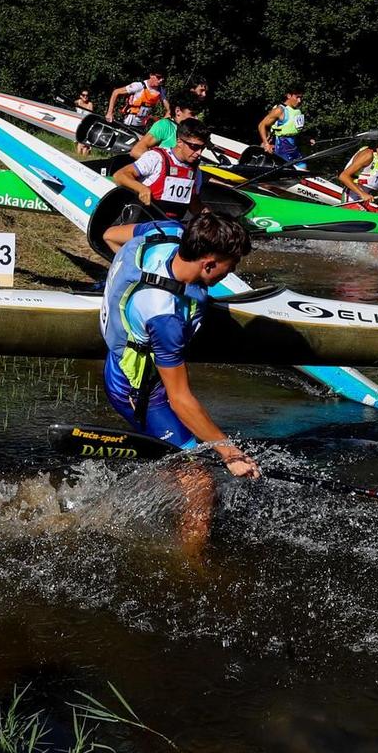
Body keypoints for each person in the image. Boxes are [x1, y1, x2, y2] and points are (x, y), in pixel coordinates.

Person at [99, 208, 259, 549]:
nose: (233, 272)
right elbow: (180, 399)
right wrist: (230, 453)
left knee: (183, 463)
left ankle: (160, 474)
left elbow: (109, 236)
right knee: (201, 483)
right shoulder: (164, 317)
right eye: (232, 265)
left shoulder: (170, 231)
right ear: (210, 263)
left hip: (142, 350)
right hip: (139, 389)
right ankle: (191, 566)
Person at [108, 118, 211, 240]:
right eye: (194, 147)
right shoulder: (156, 158)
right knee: (108, 237)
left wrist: (210, 216)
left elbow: (193, 204)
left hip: (172, 229)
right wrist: (141, 188)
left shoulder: (195, 171)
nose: (199, 153)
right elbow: (120, 175)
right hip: (142, 224)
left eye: (202, 148)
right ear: (179, 142)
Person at [339, 136, 378, 216]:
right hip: (350, 200)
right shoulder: (368, 154)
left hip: (364, 203)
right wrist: (362, 194)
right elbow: (343, 176)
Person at [130, 93, 203, 160]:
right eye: (192, 114)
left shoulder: (191, 131)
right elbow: (137, 151)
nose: (196, 118)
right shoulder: (165, 125)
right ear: (178, 111)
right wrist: (160, 165)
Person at [256, 90, 310, 168]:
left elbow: (291, 129)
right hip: (279, 148)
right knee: (293, 170)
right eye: (297, 97)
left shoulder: (297, 111)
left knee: (302, 167)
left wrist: (305, 138)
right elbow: (261, 125)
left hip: (292, 148)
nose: (299, 100)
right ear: (289, 95)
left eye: (301, 97)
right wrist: (266, 144)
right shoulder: (280, 110)